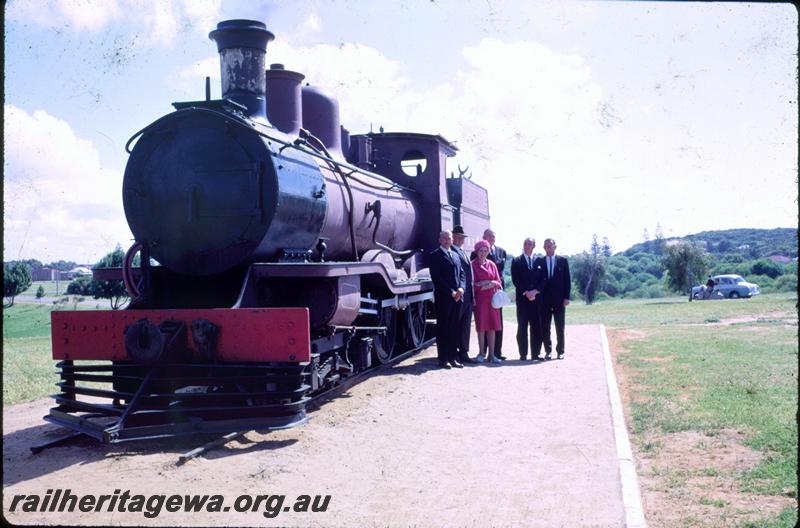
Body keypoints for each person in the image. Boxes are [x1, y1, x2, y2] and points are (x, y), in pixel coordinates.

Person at [428, 230, 466, 369]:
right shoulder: (434, 256)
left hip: (457, 298)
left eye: (449, 238)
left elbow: (462, 274)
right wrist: (451, 292)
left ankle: (453, 358)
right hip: (444, 298)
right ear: (440, 240)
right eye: (444, 238)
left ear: (452, 240)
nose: (447, 240)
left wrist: (461, 289)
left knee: (454, 328)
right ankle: (443, 359)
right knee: (443, 329)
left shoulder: (455, 255)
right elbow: (437, 278)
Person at [471, 229, 508, 360]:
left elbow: (498, 281)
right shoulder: (473, 265)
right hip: (480, 299)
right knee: (481, 326)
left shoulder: (492, 264)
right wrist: (482, 286)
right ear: (476, 251)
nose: (483, 253)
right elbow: (472, 284)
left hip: (493, 300)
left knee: (492, 326)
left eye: (485, 250)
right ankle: (481, 353)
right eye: (481, 250)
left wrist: (490, 283)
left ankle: (492, 355)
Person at [535, 238, 570, 360]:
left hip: (559, 300)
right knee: (545, 326)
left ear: (555, 247)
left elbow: (567, 280)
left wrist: (567, 297)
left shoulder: (563, 261)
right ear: (543, 248)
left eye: (550, 246)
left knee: (560, 326)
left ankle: (560, 351)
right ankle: (548, 351)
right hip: (544, 300)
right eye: (546, 246)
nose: (548, 248)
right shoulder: (539, 261)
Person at [511, 237, 544, 361]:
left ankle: (536, 354)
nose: (527, 246)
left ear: (534, 246)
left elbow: (543, 279)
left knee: (536, 326)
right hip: (523, 299)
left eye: (529, 244)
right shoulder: (516, 261)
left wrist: (535, 292)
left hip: (536, 299)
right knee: (522, 326)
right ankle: (523, 354)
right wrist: (526, 292)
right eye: (525, 243)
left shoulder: (540, 260)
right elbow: (516, 279)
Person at [451, 226, 476, 364]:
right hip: (459, 295)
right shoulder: (453, 252)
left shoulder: (463, 252)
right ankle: (454, 352)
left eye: (462, 237)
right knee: (456, 324)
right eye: (458, 237)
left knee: (465, 325)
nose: (460, 239)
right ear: (453, 237)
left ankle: (464, 352)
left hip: (468, 296)